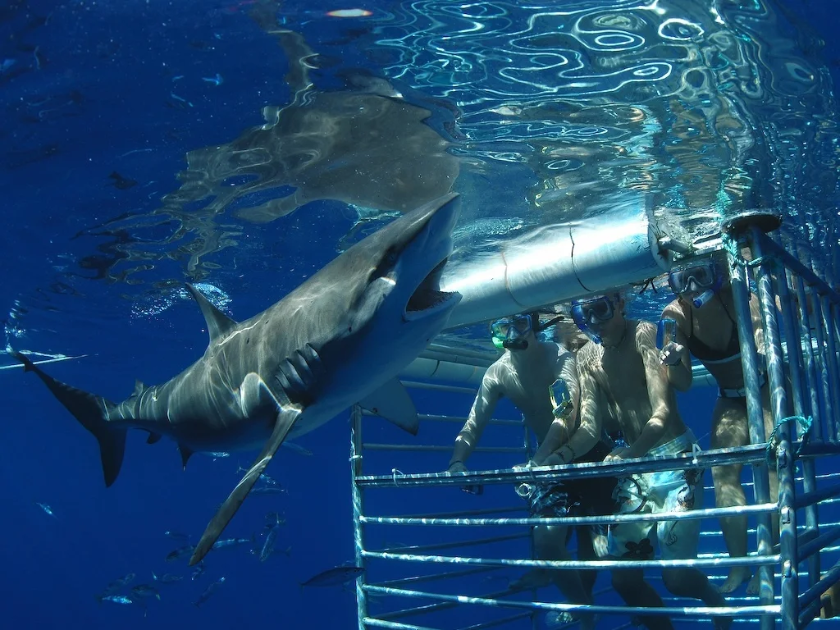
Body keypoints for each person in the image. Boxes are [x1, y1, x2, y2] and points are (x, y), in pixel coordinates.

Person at [561, 293, 730, 630]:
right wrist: (555, 457)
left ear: (620, 304)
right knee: (624, 580)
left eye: (601, 310)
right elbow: (590, 427)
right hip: (636, 467)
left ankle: (713, 597)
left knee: (677, 581)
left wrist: (630, 453)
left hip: (675, 459)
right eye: (584, 314)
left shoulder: (643, 333)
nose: (594, 322)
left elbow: (663, 413)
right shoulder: (587, 356)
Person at [447, 311, 612, 630]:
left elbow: (565, 413)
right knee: (549, 543)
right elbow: (474, 422)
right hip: (546, 465)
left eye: (519, 323)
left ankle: (575, 598)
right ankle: (585, 613)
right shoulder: (496, 373)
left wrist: (538, 460)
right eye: (501, 325)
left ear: (534, 325)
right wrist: (457, 460)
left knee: (592, 550)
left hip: (586, 455)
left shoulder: (558, 357)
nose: (511, 332)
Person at [659, 256, 778, 594]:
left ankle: (768, 563)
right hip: (728, 397)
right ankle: (739, 568)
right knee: (723, 477)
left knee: (770, 468)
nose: (691, 286)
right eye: (682, 279)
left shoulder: (740, 294)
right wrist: (676, 358)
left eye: (700, 275)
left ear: (719, 274)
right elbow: (681, 383)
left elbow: (761, 345)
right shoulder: (674, 315)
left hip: (768, 389)